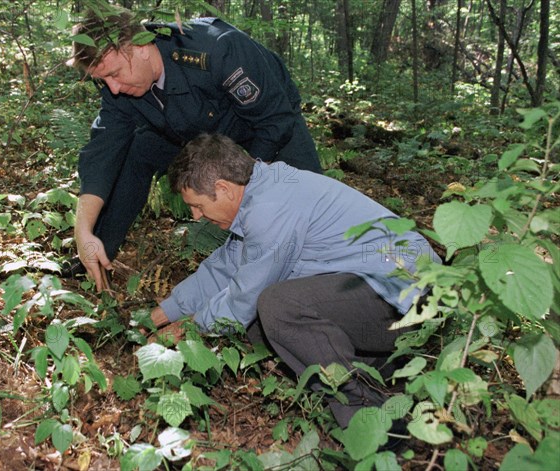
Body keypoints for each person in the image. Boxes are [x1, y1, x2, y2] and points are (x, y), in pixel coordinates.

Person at [150, 133, 441, 429]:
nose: (196, 216)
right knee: (262, 321)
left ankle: (374, 422)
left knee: (277, 306)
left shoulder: (269, 207)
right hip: (380, 295)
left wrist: (187, 327)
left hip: (411, 298)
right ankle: (386, 371)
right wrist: (159, 316)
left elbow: (242, 301)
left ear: (223, 188)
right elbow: (223, 268)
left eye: (197, 205)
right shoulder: (260, 191)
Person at [65, 5, 322, 290]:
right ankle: (99, 253)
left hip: (262, 127)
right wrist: (83, 230)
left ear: (140, 45)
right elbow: (102, 152)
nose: (112, 88)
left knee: (306, 207)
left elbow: (275, 120)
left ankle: (303, 281)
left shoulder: (217, 49)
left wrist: (240, 184)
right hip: (191, 129)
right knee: (136, 152)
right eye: (103, 80)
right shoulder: (120, 89)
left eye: (114, 74)